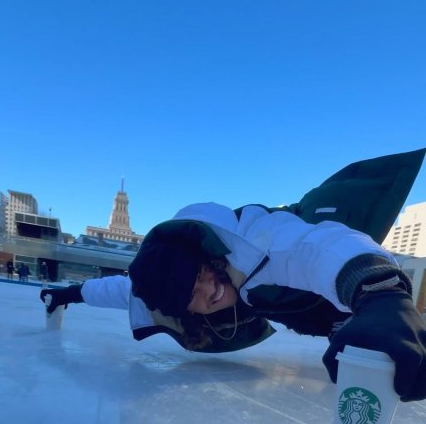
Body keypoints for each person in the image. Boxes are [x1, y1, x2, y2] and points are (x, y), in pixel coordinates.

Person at [41, 149, 426, 402]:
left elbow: (321, 247)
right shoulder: (171, 287)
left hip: (355, 292)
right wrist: (71, 294)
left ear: (210, 256)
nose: (210, 290)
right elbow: (122, 291)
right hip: (327, 313)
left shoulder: (267, 243)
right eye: (192, 295)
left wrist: (379, 294)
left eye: (202, 275)